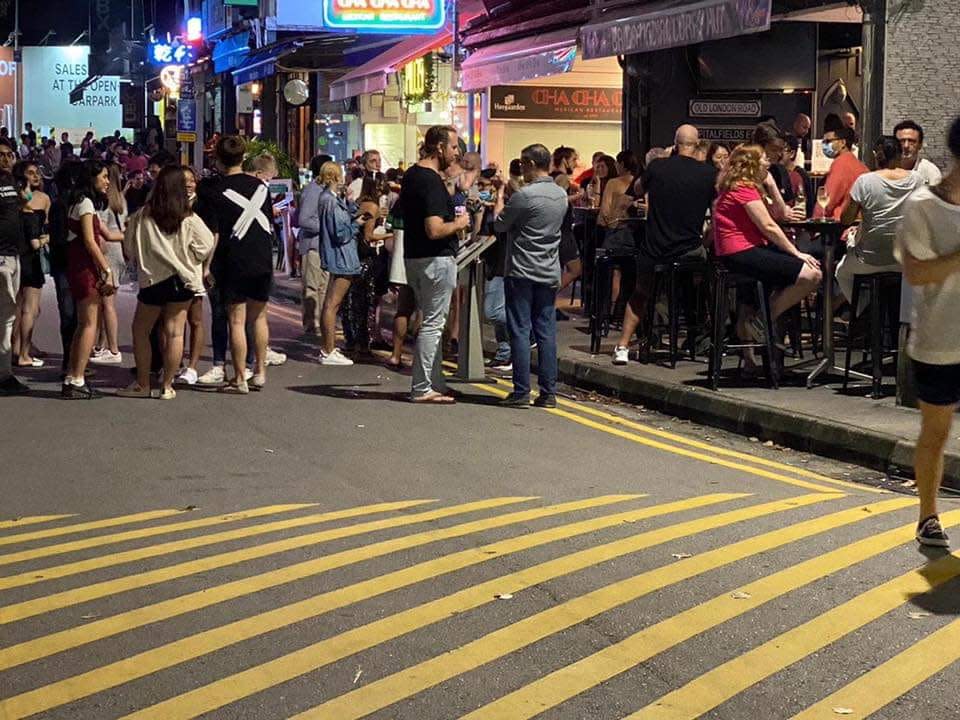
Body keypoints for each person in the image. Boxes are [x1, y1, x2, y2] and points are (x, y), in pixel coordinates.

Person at [894, 117, 960, 547]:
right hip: (940, 340)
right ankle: (928, 515)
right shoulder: (923, 205)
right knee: (935, 432)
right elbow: (917, 273)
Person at [612, 125, 717, 364]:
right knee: (704, 285)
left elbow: (636, 190)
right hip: (689, 250)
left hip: (655, 248)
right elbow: (717, 212)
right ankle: (698, 337)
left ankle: (622, 345)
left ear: (675, 143)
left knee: (640, 293)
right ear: (697, 143)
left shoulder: (657, 167)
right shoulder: (708, 173)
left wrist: (664, 160)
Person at [119, 166, 215, 399]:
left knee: (141, 330)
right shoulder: (188, 216)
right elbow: (206, 244)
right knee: (175, 332)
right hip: (182, 281)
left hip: (153, 280)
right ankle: (168, 386)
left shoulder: (143, 215)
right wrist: (190, 257)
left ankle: (142, 383)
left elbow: (130, 249)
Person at [713, 144, 822, 348]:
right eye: (763, 158)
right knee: (812, 275)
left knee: (766, 288)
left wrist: (771, 185)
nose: (768, 162)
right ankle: (763, 320)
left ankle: (759, 341)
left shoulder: (741, 186)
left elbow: (779, 214)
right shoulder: (743, 188)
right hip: (741, 252)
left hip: (739, 252)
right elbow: (769, 226)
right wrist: (796, 252)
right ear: (751, 164)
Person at [397, 125, 471, 403]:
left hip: (415, 257)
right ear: (439, 147)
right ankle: (422, 387)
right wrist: (460, 223)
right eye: (453, 147)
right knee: (432, 324)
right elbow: (434, 228)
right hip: (435, 259)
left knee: (432, 322)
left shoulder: (413, 176)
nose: (456, 153)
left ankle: (435, 381)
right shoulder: (429, 180)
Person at [196, 135, 274, 393]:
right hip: (261, 257)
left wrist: (206, 266)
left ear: (218, 159)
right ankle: (260, 371)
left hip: (232, 259)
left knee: (236, 320)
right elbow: (269, 223)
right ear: (244, 157)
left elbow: (212, 233)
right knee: (259, 317)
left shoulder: (212, 191)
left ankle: (240, 377)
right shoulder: (262, 188)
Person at [494, 143, 568, 408]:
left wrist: (501, 194)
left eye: (523, 164)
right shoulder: (561, 195)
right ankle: (548, 393)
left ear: (530, 164)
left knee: (520, 331)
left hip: (522, 270)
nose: (521, 169)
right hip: (548, 270)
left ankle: (521, 390)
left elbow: (500, 224)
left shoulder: (524, 196)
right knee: (546, 332)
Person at [835, 135, 920, 305]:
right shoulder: (917, 180)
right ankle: (892, 317)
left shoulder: (865, 181)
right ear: (899, 155)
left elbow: (845, 219)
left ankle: (864, 311)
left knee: (841, 272)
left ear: (876, 155)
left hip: (869, 260)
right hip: (903, 260)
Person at [62, 159, 116, 399]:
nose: (107, 181)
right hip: (85, 269)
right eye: (104, 176)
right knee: (89, 325)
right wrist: (107, 269)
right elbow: (90, 240)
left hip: (80, 267)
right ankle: (77, 378)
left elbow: (108, 235)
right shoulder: (85, 203)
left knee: (83, 325)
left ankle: (72, 376)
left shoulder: (83, 203)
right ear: (91, 178)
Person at [316, 161, 361, 365]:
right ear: (335, 176)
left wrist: (351, 206)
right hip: (342, 257)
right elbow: (340, 233)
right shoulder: (330, 201)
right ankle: (328, 349)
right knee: (332, 305)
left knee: (330, 304)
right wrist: (357, 225)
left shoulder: (331, 199)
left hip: (338, 256)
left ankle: (328, 348)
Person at [344, 176, 392, 355]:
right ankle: (362, 342)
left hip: (353, 253)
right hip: (365, 256)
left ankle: (352, 339)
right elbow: (369, 236)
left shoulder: (357, 203)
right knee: (365, 300)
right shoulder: (372, 207)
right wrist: (389, 235)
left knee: (351, 299)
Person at [11, 160, 51, 369]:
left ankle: (15, 347)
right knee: (30, 308)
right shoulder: (42, 199)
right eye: (31, 173)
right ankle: (24, 353)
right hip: (32, 256)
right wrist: (46, 240)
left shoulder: (11, 198)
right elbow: (45, 230)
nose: (36, 176)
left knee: (16, 307)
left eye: (38, 172)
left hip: (14, 255)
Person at [89, 162, 127, 365]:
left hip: (107, 251)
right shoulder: (120, 198)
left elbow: (99, 231)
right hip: (118, 250)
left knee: (107, 303)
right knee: (107, 303)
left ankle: (113, 349)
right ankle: (101, 345)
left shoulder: (102, 201)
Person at [0, 139, 29, 394]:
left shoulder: (11, 182)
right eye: (1, 155)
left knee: (8, 315)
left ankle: (4, 372)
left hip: (13, 255)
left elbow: (23, 205)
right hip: (1, 257)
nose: (6, 159)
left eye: (10, 154)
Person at [176, 167, 209, 385]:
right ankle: (175, 361)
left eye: (192, 180)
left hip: (195, 270)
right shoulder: (170, 205)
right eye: (184, 181)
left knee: (195, 319)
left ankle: (192, 366)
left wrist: (206, 266)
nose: (188, 184)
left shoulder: (202, 205)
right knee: (174, 322)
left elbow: (208, 240)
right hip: (173, 271)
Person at [598, 150, 640, 307]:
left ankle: (611, 309)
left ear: (622, 164)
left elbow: (605, 212)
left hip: (616, 233)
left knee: (615, 271)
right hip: (636, 235)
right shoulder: (639, 183)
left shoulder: (613, 183)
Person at [297, 153, 333, 335]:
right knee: (312, 286)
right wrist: (327, 226)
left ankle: (320, 322)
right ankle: (312, 323)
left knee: (323, 287)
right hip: (313, 246)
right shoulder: (313, 191)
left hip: (324, 246)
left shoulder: (325, 190)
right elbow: (303, 219)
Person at [815, 126, 868, 221]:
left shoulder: (841, 163)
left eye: (828, 141)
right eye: (823, 142)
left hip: (840, 224)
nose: (824, 146)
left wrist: (815, 221)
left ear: (843, 143)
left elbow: (828, 200)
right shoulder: (858, 164)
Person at [893, 120, 942, 187]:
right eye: (902, 141)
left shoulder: (931, 172)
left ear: (920, 145)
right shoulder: (885, 170)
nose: (906, 146)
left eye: (911, 141)